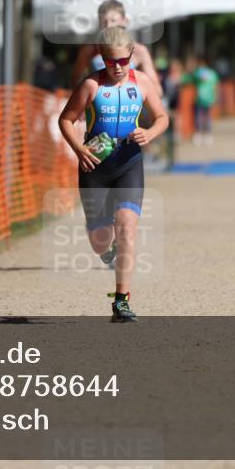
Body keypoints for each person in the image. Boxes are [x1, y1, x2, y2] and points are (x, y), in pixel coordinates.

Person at [58, 26, 169, 322]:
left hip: (129, 164)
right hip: (94, 168)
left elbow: (162, 117)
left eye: (123, 60)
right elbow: (66, 120)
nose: (118, 67)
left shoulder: (142, 82)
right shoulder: (91, 86)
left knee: (127, 229)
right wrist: (79, 150)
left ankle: (121, 302)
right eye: (111, 61)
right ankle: (107, 249)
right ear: (101, 58)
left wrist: (150, 132)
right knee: (99, 241)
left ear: (131, 55)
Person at [71, 0, 162, 96]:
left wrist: (133, 96)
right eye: (104, 22)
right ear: (99, 22)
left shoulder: (138, 50)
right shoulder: (90, 49)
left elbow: (157, 90)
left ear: (124, 21)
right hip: (98, 106)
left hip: (130, 106)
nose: (108, 26)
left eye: (113, 21)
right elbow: (75, 79)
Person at [185, 56, 220, 146]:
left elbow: (189, 79)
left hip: (203, 99)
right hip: (204, 99)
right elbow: (216, 86)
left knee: (201, 118)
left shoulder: (199, 73)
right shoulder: (212, 73)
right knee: (204, 118)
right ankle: (204, 135)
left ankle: (202, 135)